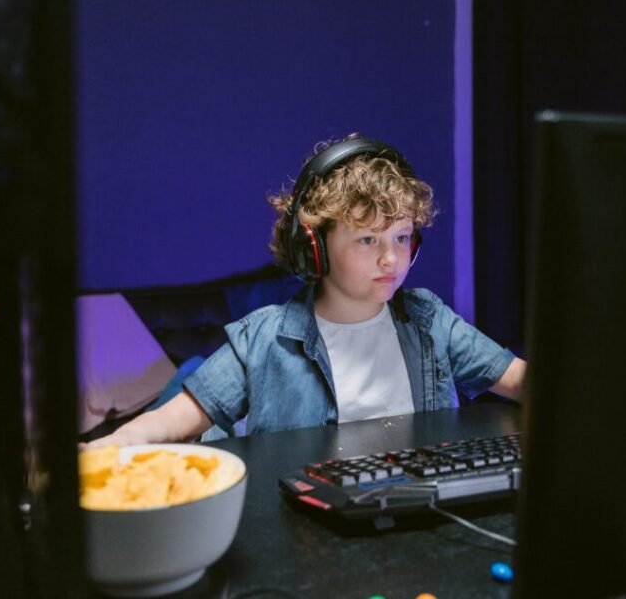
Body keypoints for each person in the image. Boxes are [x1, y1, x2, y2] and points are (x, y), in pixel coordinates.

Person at [85, 135, 526, 448]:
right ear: (315, 247)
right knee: (191, 377)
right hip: (304, 534)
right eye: (368, 240)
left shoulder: (431, 322)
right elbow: (173, 419)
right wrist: (119, 442)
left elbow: (518, 380)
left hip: (410, 518)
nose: (392, 259)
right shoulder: (263, 339)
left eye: (402, 237)